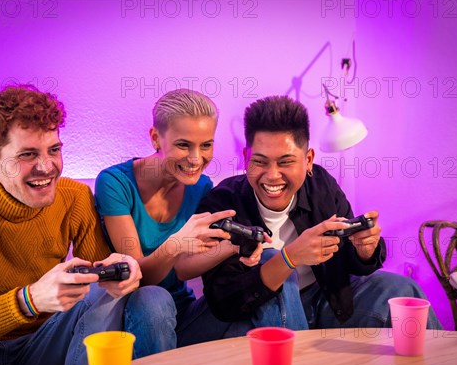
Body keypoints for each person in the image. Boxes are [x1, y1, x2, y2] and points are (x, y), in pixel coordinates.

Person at [0, 85, 176, 365]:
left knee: (120, 293)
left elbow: (99, 290)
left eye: (54, 150)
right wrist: (30, 300)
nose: (47, 167)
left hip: (44, 343)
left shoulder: (75, 197)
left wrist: (121, 272)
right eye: (28, 154)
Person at [177, 95, 442, 330]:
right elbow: (224, 301)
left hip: (326, 301)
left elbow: (352, 261)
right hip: (261, 314)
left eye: (286, 162)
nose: (272, 176)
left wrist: (365, 249)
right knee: (271, 261)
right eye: (259, 161)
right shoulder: (223, 203)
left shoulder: (321, 186)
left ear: (308, 160)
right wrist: (290, 258)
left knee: (401, 290)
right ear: (246, 157)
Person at [95, 89, 307, 348]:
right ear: (155, 138)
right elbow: (139, 277)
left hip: (186, 317)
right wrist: (177, 243)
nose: (196, 159)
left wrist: (235, 246)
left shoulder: (202, 187)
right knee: (154, 296)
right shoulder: (115, 183)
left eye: (206, 145)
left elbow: (187, 267)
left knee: (272, 263)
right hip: (139, 314)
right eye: (183, 145)